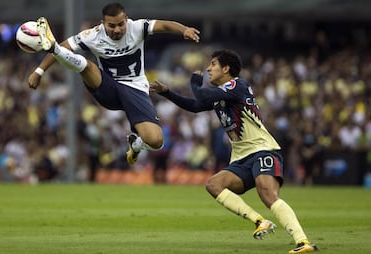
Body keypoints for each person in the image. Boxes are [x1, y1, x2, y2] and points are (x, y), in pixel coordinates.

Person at [150, 49, 318, 253]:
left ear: (226, 68)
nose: (208, 68)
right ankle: (260, 221)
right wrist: (167, 92)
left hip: (262, 150)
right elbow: (195, 106)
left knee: (267, 193)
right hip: (241, 158)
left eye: (213, 64)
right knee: (213, 184)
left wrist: (194, 81)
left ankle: (303, 242)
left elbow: (200, 93)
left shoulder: (238, 85)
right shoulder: (221, 95)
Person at [28, 2, 200, 165]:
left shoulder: (137, 27)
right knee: (86, 65)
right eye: (112, 25)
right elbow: (67, 46)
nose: (117, 29)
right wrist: (39, 71)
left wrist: (184, 30)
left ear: (126, 20)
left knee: (156, 141)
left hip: (135, 89)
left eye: (120, 24)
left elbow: (165, 25)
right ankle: (54, 48)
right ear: (103, 23)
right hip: (107, 87)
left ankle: (136, 145)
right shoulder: (92, 35)